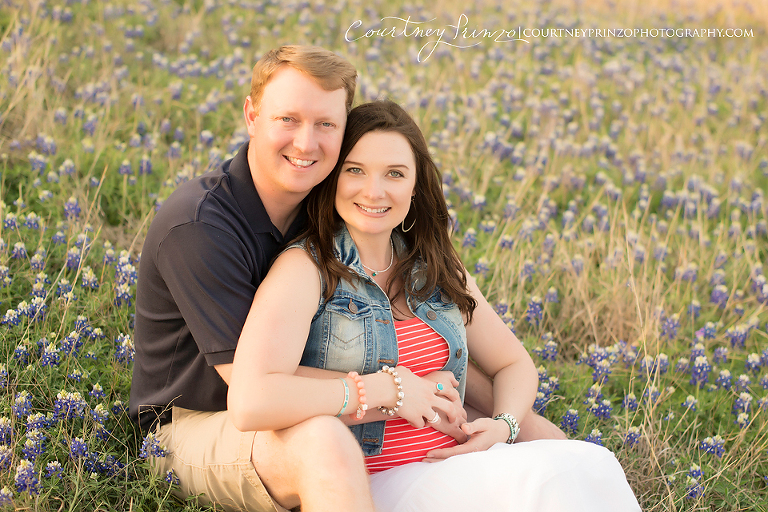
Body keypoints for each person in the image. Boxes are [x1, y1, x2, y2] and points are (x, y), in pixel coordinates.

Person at [131, 44, 563, 512]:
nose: (305, 143)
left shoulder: (326, 211)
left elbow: (486, 361)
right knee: (325, 440)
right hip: (198, 421)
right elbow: (253, 390)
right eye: (288, 119)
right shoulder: (200, 229)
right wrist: (395, 389)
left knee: (540, 439)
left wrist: (476, 405)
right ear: (252, 116)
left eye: (325, 125)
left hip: (307, 405)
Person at [228, 101, 641, 511]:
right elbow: (256, 396)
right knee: (548, 482)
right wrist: (390, 389)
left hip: (461, 462)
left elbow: (513, 364)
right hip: (378, 478)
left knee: (592, 465)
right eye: (355, 170)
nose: (375, 191)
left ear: (414, 186)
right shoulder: (306, 269)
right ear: (333, 179)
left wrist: (504, 425)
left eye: (395, 173)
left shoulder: (433, 265)